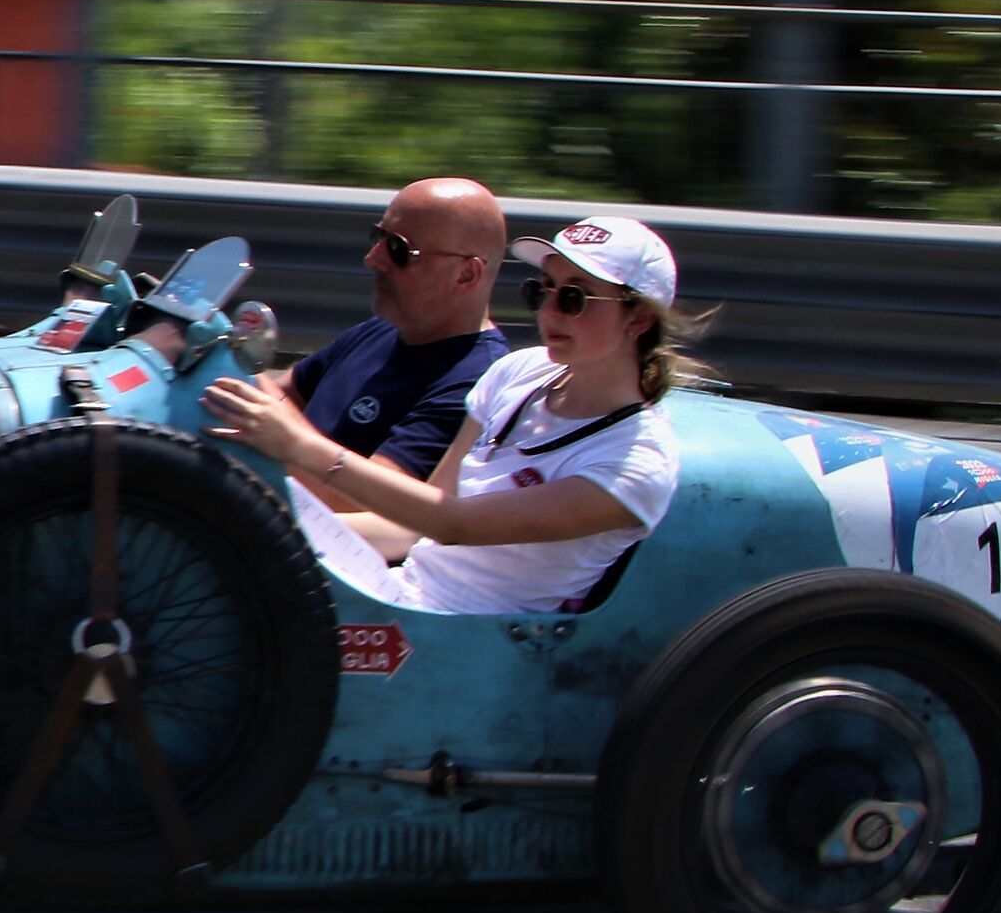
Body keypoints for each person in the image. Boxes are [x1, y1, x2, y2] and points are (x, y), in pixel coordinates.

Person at [205, 215, 692, 616]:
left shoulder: (636, 464)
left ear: (639, 319)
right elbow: (411, 525)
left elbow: (452, 524)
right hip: (402, 595)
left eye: (575, 297)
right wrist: (275, 531)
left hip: (469, 641)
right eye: (543, 289)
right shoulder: (518, 371)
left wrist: (300, 447)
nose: (551, 311)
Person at [271, 177, 510, 508]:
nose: (373, 259)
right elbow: (284, 394)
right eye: (377, 238)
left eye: (398, 249)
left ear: (465, 274)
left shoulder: (476, 381)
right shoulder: (381, 330)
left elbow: (370, 504)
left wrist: (278, 433)